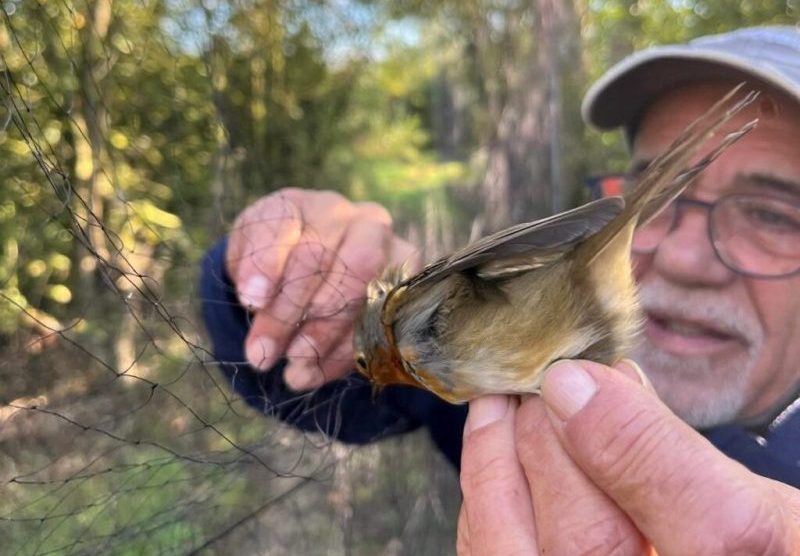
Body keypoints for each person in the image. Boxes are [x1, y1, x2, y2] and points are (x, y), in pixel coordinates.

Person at [201, 26, 800, 552]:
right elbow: (315, 391)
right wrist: (263, 284)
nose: (684, 256)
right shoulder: (460, 391)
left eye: (773, 216)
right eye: (657, 193)